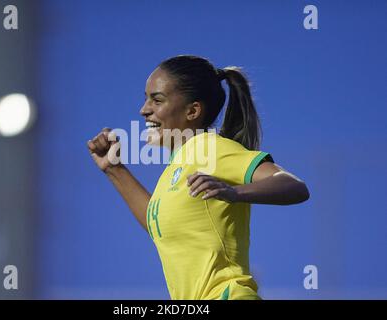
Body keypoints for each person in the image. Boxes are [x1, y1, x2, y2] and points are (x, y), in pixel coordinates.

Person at [87, 55, 310, 300]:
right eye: (145, 98)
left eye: (157, 99)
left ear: (192, 110)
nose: (143, 110)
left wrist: (234, 193)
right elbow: (157, 225)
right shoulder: (175, 168)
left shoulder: (211, 148)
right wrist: (114, 169)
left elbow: (294, 186)